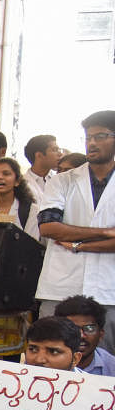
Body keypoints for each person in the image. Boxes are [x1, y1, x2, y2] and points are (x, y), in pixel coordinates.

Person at [36, 111, 115, 354]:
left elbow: (61, 230)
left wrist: (77, 244)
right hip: (60, 286)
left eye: (100, 136)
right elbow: (48, 227)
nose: (91, 143)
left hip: (109, 290)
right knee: (49, 356)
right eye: (88, 137)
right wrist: (105, 233)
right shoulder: (62, 181)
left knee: (106, 365)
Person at [54, 294, 115, 376]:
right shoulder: (42, 361)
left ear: (101, 335)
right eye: (72, 328)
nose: (81, 335)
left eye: (89, 329)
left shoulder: (111, 367)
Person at [23, 133, 62, 199]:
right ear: (39, 155)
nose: (60, 154)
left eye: (59, 150)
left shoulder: (59, 180)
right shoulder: (20, 183)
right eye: (54, 150)